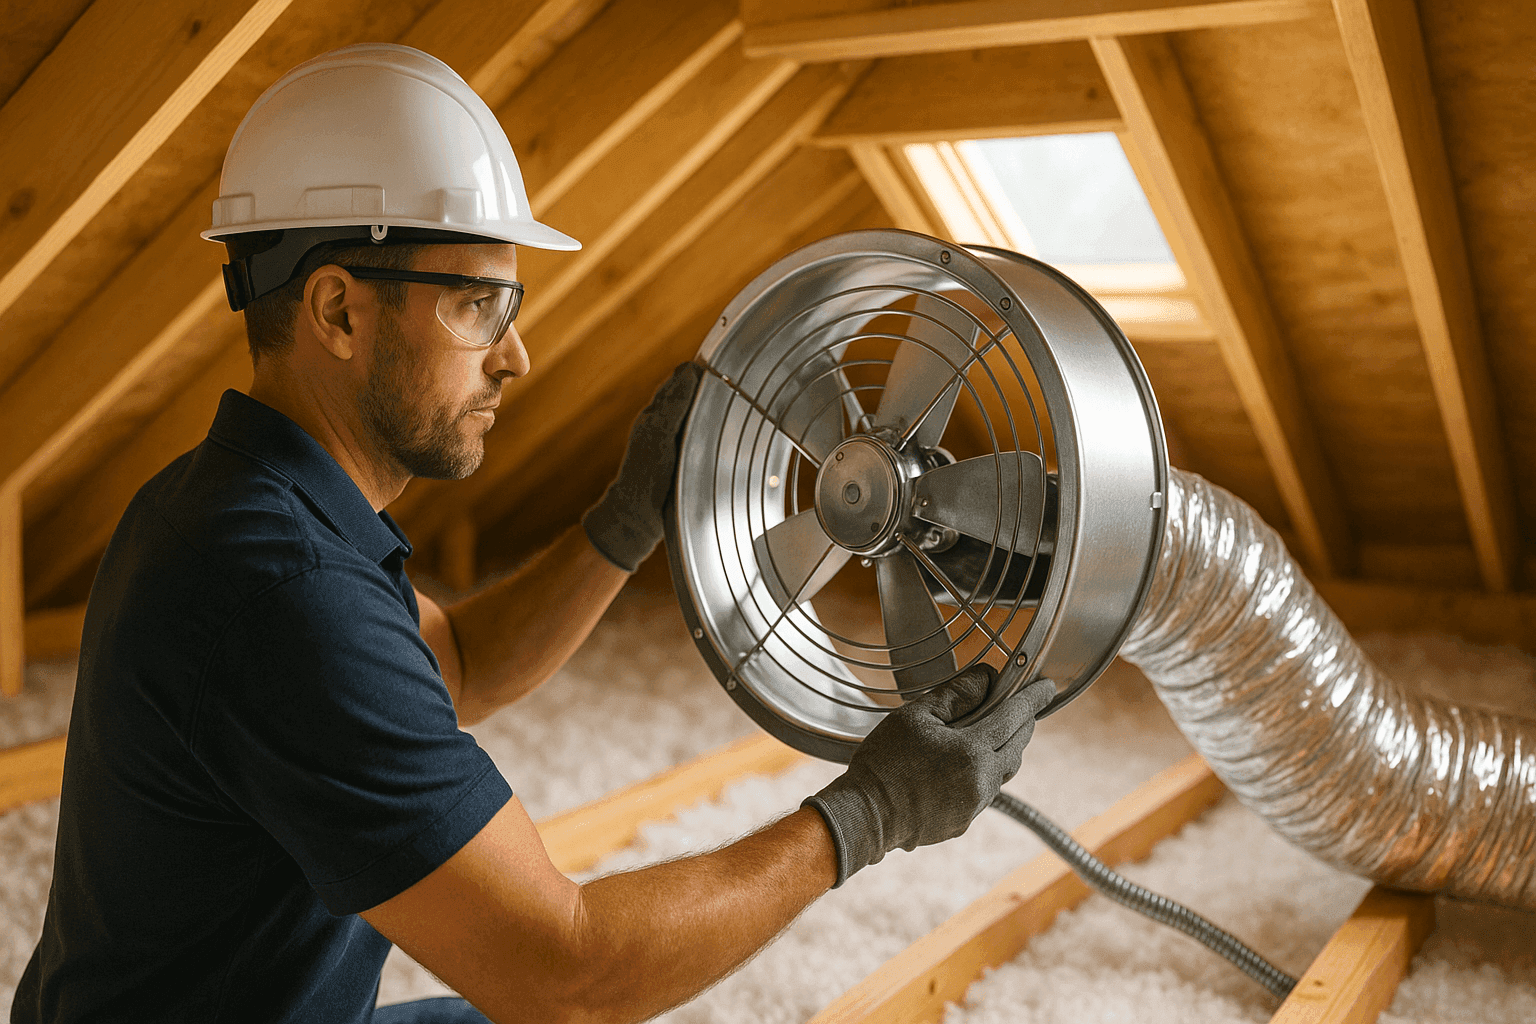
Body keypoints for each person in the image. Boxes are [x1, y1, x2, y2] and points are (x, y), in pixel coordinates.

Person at [12, 44, 1054, 1024]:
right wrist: (864, 814)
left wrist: (624, 517)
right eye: (479, 303)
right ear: (336, 311)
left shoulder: (223, 498)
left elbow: (451, 663)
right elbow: (568, 972)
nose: (519, 354)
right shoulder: (281, 589)